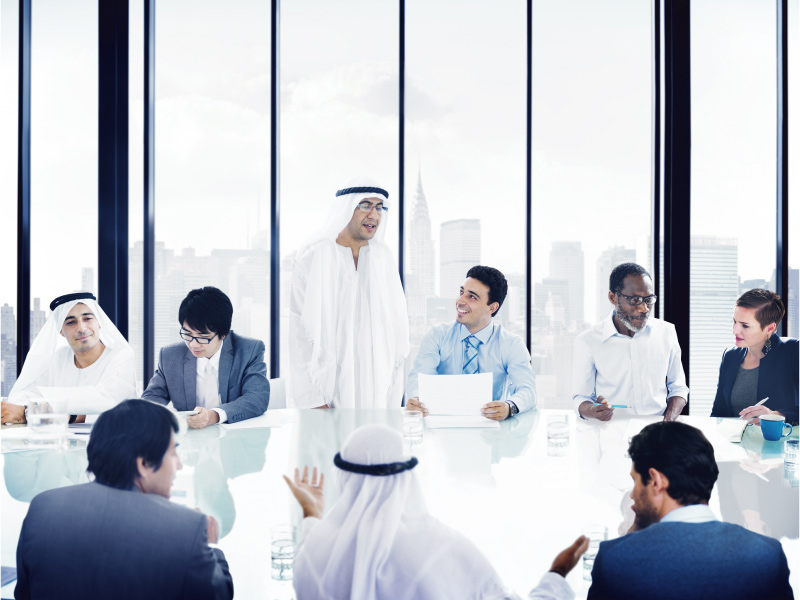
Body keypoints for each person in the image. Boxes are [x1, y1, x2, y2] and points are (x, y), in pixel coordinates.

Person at [284, 424, 588, 600]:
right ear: (405, 476)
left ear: (344, 478)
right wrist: (556, 576)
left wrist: (312, 511)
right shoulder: (441, 549)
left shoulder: (312, 551)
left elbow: (309, 548)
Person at [15, 399, 233, 600]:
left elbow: (24, 594)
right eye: (173, 453)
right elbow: (218, 594)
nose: (178, 465)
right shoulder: (186, 528)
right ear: (144, 464)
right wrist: (208, 545)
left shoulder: (42, 508)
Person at [587, 421, 793, 600]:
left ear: (657, 481)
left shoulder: (615, 560)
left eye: (636, 481)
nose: (632, 495)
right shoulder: (767, 555)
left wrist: (630, 540)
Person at [289, 178, 409, 409]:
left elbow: (395, 331)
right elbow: (300, 333)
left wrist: (391, 397)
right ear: (346, 208)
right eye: (365, 205)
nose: (373, 214)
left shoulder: (383, 257)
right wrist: (313, 401)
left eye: (379, 207)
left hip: (375, 393)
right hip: (326, 393)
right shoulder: (314, 255)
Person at [406, 265, 536, 421]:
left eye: (472, 297)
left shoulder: (511, 344)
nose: (460, 301)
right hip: (441, 424)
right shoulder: (437, 335)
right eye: (462, 292)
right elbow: (420, 376)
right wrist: (416, 398)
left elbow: (527, 390)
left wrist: (509, 406)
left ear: (492, 307)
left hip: (490, 429)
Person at [572, 263, 688, 422]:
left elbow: (679, 388)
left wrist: (666, 425)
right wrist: (592, 410)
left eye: (648, 300)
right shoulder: (588, 341)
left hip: (657, 433)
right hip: (610, 433)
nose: (644, 308)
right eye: (635, 299)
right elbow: (581, 398)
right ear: (613, 297)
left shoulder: (666, 333)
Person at [142, 286, 269, 428]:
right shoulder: (170, 356)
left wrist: (213, 416)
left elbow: (257, 398)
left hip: (235, 439)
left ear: (223, 334)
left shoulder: (249, 350)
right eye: (188, 334)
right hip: (190, 441)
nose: (194, 344)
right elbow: (151, 398)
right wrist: (169, 415)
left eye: (203, 337)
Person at [1, 292, 136, 424]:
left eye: (87, 318)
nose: (82, 328)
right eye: (71, 322)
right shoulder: (58, 358)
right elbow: (20, 396)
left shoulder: (121, 355)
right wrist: (70, 413)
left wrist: (33, 411)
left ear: (99, 322)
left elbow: (107, 400)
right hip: (58, 442)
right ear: (61, 331)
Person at [711, 289, 798, 425]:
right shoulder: (730, 355)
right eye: (734, 322)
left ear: (769, 328)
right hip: (735, 441)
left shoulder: (792, 350)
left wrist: (774, 415)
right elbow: (718, 412)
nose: (735, 330)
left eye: (745, 325)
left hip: (779, 442)